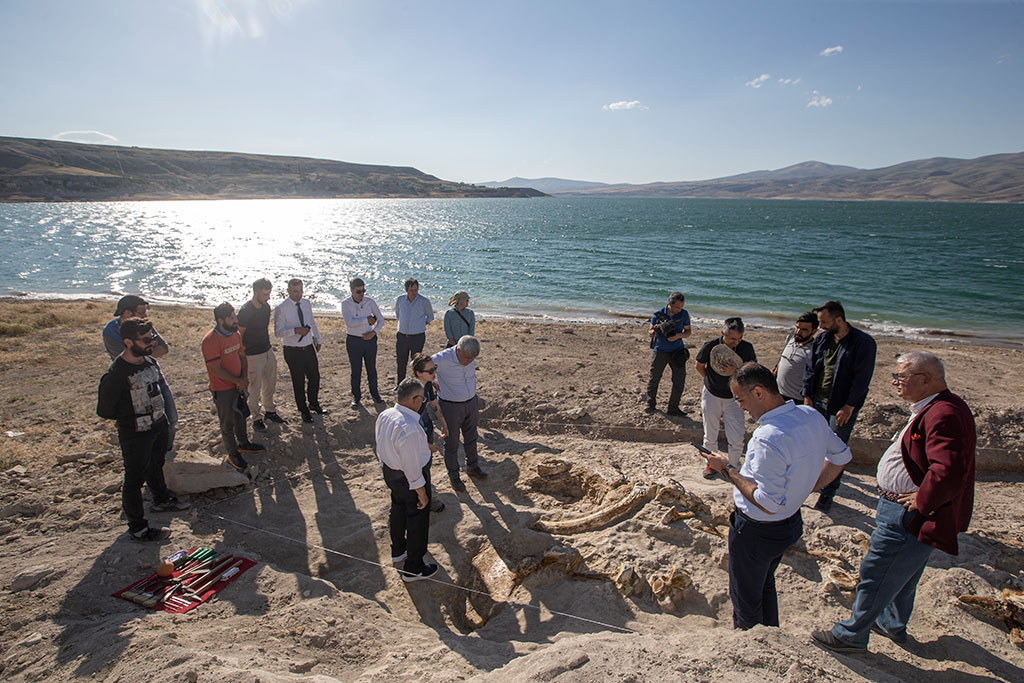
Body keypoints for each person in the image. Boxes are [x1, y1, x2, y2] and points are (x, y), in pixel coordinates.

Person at [812, 351, 976, 653]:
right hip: (905, 508)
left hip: (907, 512)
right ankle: (892, 623)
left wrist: (923, 499)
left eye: (899, 376)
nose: (894, 381)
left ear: (924, 379)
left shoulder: (944, 414)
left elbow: (950, 471)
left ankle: (851, 636)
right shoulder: (937, 407)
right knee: (905, 572)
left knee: (876, 572)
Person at [702, 362, 851, 630]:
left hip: (757, 529)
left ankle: (753, 644)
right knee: (764, 583)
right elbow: (841, 456)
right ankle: (770, 633)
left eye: (741, 399)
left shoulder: (768, 437)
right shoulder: (811, 415)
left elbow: (767, 502)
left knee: (746, 597)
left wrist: (727, 470)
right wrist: (807, 488)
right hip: (790, 522)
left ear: (759, 393)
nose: (740, 407)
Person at [97, 317, 189, 543]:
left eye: (152, 337)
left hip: (158, 426)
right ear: (128, 342)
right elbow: (105, 410)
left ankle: (161, 499)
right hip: (136, 433)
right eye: (146, 339)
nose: (152, 342)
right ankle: (138, 528)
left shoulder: (149, 361)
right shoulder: (116, 373)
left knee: (156, 464)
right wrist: (132, 416)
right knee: (134, 479)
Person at [802, 300, 877, 512]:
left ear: (839, 319)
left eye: (824, 322)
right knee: (813, 445)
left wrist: (849, 406)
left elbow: (862, 380)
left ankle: (827, 494)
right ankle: (811, 482)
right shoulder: (822, 339)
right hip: (817, 402)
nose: (821, 326)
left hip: (840, 406)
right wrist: (807, 396)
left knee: (836, 451)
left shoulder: (863, 343)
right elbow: (810, 370)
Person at [375, 378, 440, 582]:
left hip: (390, 472)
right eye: (422, 398)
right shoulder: (409, 426)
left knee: (398, 508)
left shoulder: (386, 414)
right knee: (417, 519)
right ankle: (414, 568)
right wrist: (421, 490)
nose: (423, 402)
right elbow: (411, 465)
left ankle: (398, 550)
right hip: (408, 478)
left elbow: (379, 443)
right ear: (415, 399)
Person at [102, 295, 178, 452]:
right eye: (141, 313)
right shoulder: (110, 331)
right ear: (128, 313)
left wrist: (140, 352)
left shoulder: (143, 326)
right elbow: (127, 361)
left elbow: (163, 348)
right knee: (141, 426)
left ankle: (165, 453)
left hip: (154, 376)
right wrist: (145, 352)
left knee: (171, 417)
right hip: (132, 385)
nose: (145, 317)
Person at [202, 303, 264, 473]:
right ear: (221, 320)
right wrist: (236, 380)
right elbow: (216, 369)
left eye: (235, 316)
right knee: (227, 422)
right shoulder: (210, 340)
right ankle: (232, 453)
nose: (236, 320)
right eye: (232, 317)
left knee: (240, 415)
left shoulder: (235, 334)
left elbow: (242, 355)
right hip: (222, 389)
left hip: (238, 384)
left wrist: (243, 378)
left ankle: (244, 443)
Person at [695, 317, 756, 478]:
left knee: (736, 435)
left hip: (734, 398)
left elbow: (752, 374)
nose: (736, 342)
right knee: (710, 433)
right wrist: (710, 381)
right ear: (723, 333)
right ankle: (711, 465)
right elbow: (699, 365)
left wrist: (735, 372)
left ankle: (733, 466)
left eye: (739, 338)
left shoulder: (746, 348)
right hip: (711, 394)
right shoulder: (711, 345)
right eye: (732, 339)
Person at [432, 335, 486, 492]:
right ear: (458, 350)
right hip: (450, 407)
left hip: (470, 402)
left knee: (471, 436)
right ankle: (454, 476)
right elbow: (416, 366)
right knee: (452, 443)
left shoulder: (468, 354)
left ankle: (473, 466)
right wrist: (432, 381)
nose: (469, 361)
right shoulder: (441, 359)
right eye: (466, 358)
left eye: (472, 359)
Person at [236, 278, 286, 431]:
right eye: (265, 294)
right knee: (254, 387)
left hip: (267, 350)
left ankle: (270, 410)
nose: (268, 297)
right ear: (256, 292)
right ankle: (256, 417)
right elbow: (239, 334)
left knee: (270, 383)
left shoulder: (266, 308)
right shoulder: (245, 311)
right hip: (252, 355)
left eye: (269, 294)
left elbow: (264, 328)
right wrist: (243, 355)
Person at [274, 278, 326, 423]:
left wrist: (317, 339)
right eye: (295, 291)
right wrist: (295, 331)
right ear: (289, 291)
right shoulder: (281, 308)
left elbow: (312, 322)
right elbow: (278, 332)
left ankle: (314, 403)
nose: (299, 294)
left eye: (301, 291)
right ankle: (303, 410)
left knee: (314, 377)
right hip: (292, 350)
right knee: (298, 381)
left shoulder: (306, 303)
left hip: (308, 347)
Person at [412, 353, 449, 513]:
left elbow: (434, 405)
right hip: (415, 435)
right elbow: (408, 425)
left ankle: (425, 497)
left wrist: (443, 425)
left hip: (426, 430)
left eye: (435, 369)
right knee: (416, 468)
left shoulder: (427, 385)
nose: (434, 373)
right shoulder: (411, 391)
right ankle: (421, 500)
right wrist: (426, 445)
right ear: (419, 373)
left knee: (425, 467)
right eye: (430, 371)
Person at [645, 291, 692, 415]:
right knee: (654, 378)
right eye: (677, 307)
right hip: (660, 350)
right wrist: (654, 331)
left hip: (677, 351)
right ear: (670, 303)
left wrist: (678, 336)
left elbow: (688, 332)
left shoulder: (684, 314)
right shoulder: (658, 315)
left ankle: (673, 408)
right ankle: (650, 404)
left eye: (681, 307)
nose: (679, 310)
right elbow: (650, 331)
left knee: (679, 380)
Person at [341, 277, 384, 408]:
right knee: (356, 369)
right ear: (351, 291)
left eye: (363, 291)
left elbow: (381, 319)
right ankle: (356, 396)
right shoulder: (345, 304)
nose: (362, 294)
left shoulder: (370, 302)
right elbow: (349, 323)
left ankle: (375, 394)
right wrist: (367, 320)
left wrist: (374, 332)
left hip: (370, 340)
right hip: (354, 340)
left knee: (371, 368)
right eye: (358, 291)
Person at [395, 278, 434, 384]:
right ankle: (400, 384)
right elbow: (398, 314)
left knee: (416, 363)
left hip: (417, 337)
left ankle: (416, 384)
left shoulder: (424, 301)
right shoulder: (400, 299)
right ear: (406, 290)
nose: (414, 292)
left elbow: (430, 316)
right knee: (401, 362)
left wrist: (420, 324)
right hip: (402, 336)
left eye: (416, 290)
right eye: (411, 290)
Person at [773, 311, 818, 404]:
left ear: (814, 331)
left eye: (804, 330)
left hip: (797, 399)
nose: (798, 331)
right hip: (778, 394)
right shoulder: (790, 338)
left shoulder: (814, 350)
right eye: (797, 327)